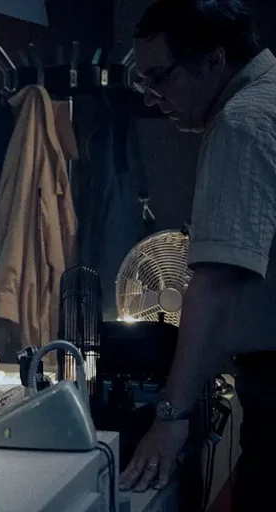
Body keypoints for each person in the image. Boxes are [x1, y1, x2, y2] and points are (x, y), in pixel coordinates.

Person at [120, 2, 276, 506]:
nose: (152, 98)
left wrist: (171, 416)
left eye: (159, 77)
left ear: (211, 60)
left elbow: (216, 282)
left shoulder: (242, 123)